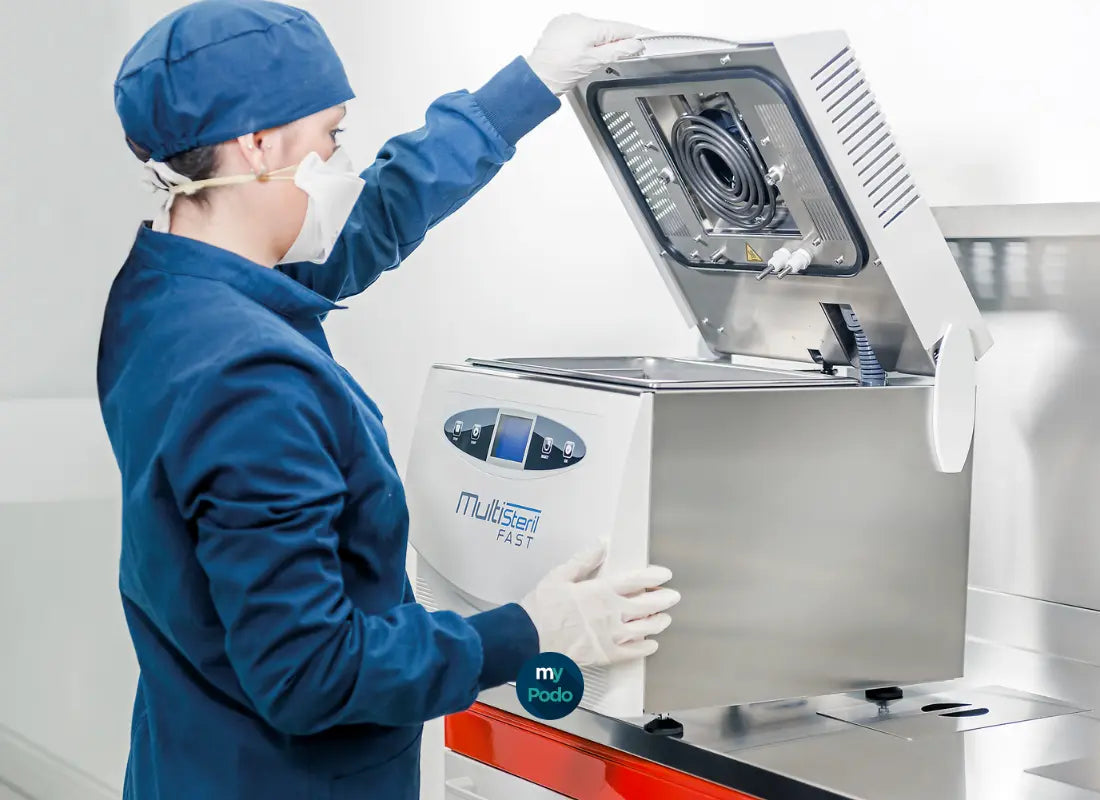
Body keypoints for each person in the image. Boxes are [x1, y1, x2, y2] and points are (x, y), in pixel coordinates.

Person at [98, 3, 681, 798]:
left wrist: (529, 84)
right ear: (258, 143)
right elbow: (309, 672)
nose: (343, 162)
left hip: (191, 756)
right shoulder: (249, 379)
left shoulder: (164, 288)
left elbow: (371, 217)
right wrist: (533, 631)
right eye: (332, 137)